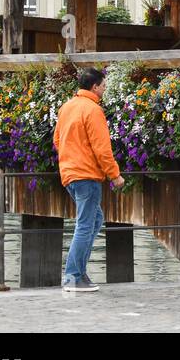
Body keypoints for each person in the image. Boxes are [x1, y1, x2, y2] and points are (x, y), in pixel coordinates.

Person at [53, 67, 124, 293]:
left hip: (70, 174)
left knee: (94, 220)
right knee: (85, 225)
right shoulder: (93, 110)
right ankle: (73, 276)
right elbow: (102, 148)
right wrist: (115, 175)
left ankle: (79, 273)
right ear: (94, 86)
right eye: (103, 85)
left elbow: (57, 140)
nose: (105, 89)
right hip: (87, 175)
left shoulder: (67, 107)